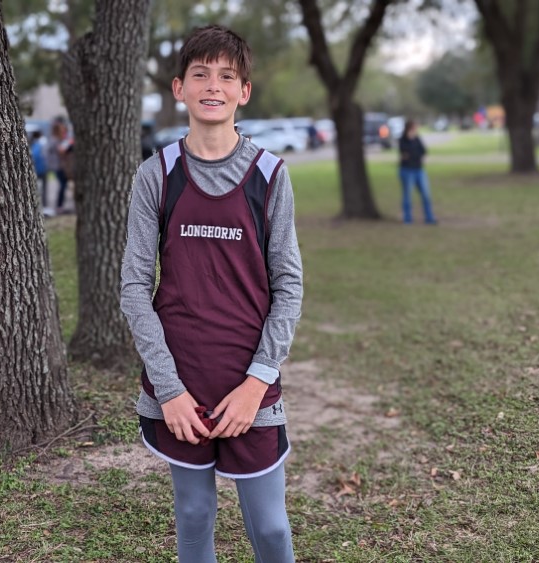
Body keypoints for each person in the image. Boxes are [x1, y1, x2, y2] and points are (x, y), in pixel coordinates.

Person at [120, 25, 303, 562]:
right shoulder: (157, 174)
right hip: (181, 382)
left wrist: (256, 382)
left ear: (244, 91)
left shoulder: (270, 175)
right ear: (179, 88)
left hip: (250, 384)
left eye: (226, 76)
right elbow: (134, 286)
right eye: (200, 74)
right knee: (195, 514)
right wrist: (169, 389)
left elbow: (289, 285)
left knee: (271, 528)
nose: (213, 86)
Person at [398, 119, 436, 225]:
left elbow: (423, 151)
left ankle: (429, 217)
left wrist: (413, 154)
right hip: (407, 170)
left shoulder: (417, 138)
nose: (416, 130)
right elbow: (404, 153)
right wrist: (413, 153)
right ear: (409, 128)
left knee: (426, 194)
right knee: (407, 195)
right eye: (414, 127)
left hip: (419, 169)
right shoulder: (403, 140)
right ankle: (407, 218)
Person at [46, 120, 72, 214]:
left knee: (63, 185)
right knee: (63, 185)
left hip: (58, 166)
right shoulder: (55, 140)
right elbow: (61, 151)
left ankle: (60, 205)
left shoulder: (55, 139)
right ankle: (59, 206)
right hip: (59, 166)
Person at [29, 131, 51, 216]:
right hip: (41, 169)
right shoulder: (40, 145)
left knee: (36, 188)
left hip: (36, 169)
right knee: (43, 189)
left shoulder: (32, 145)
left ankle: (38, 205)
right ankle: (43, 206)